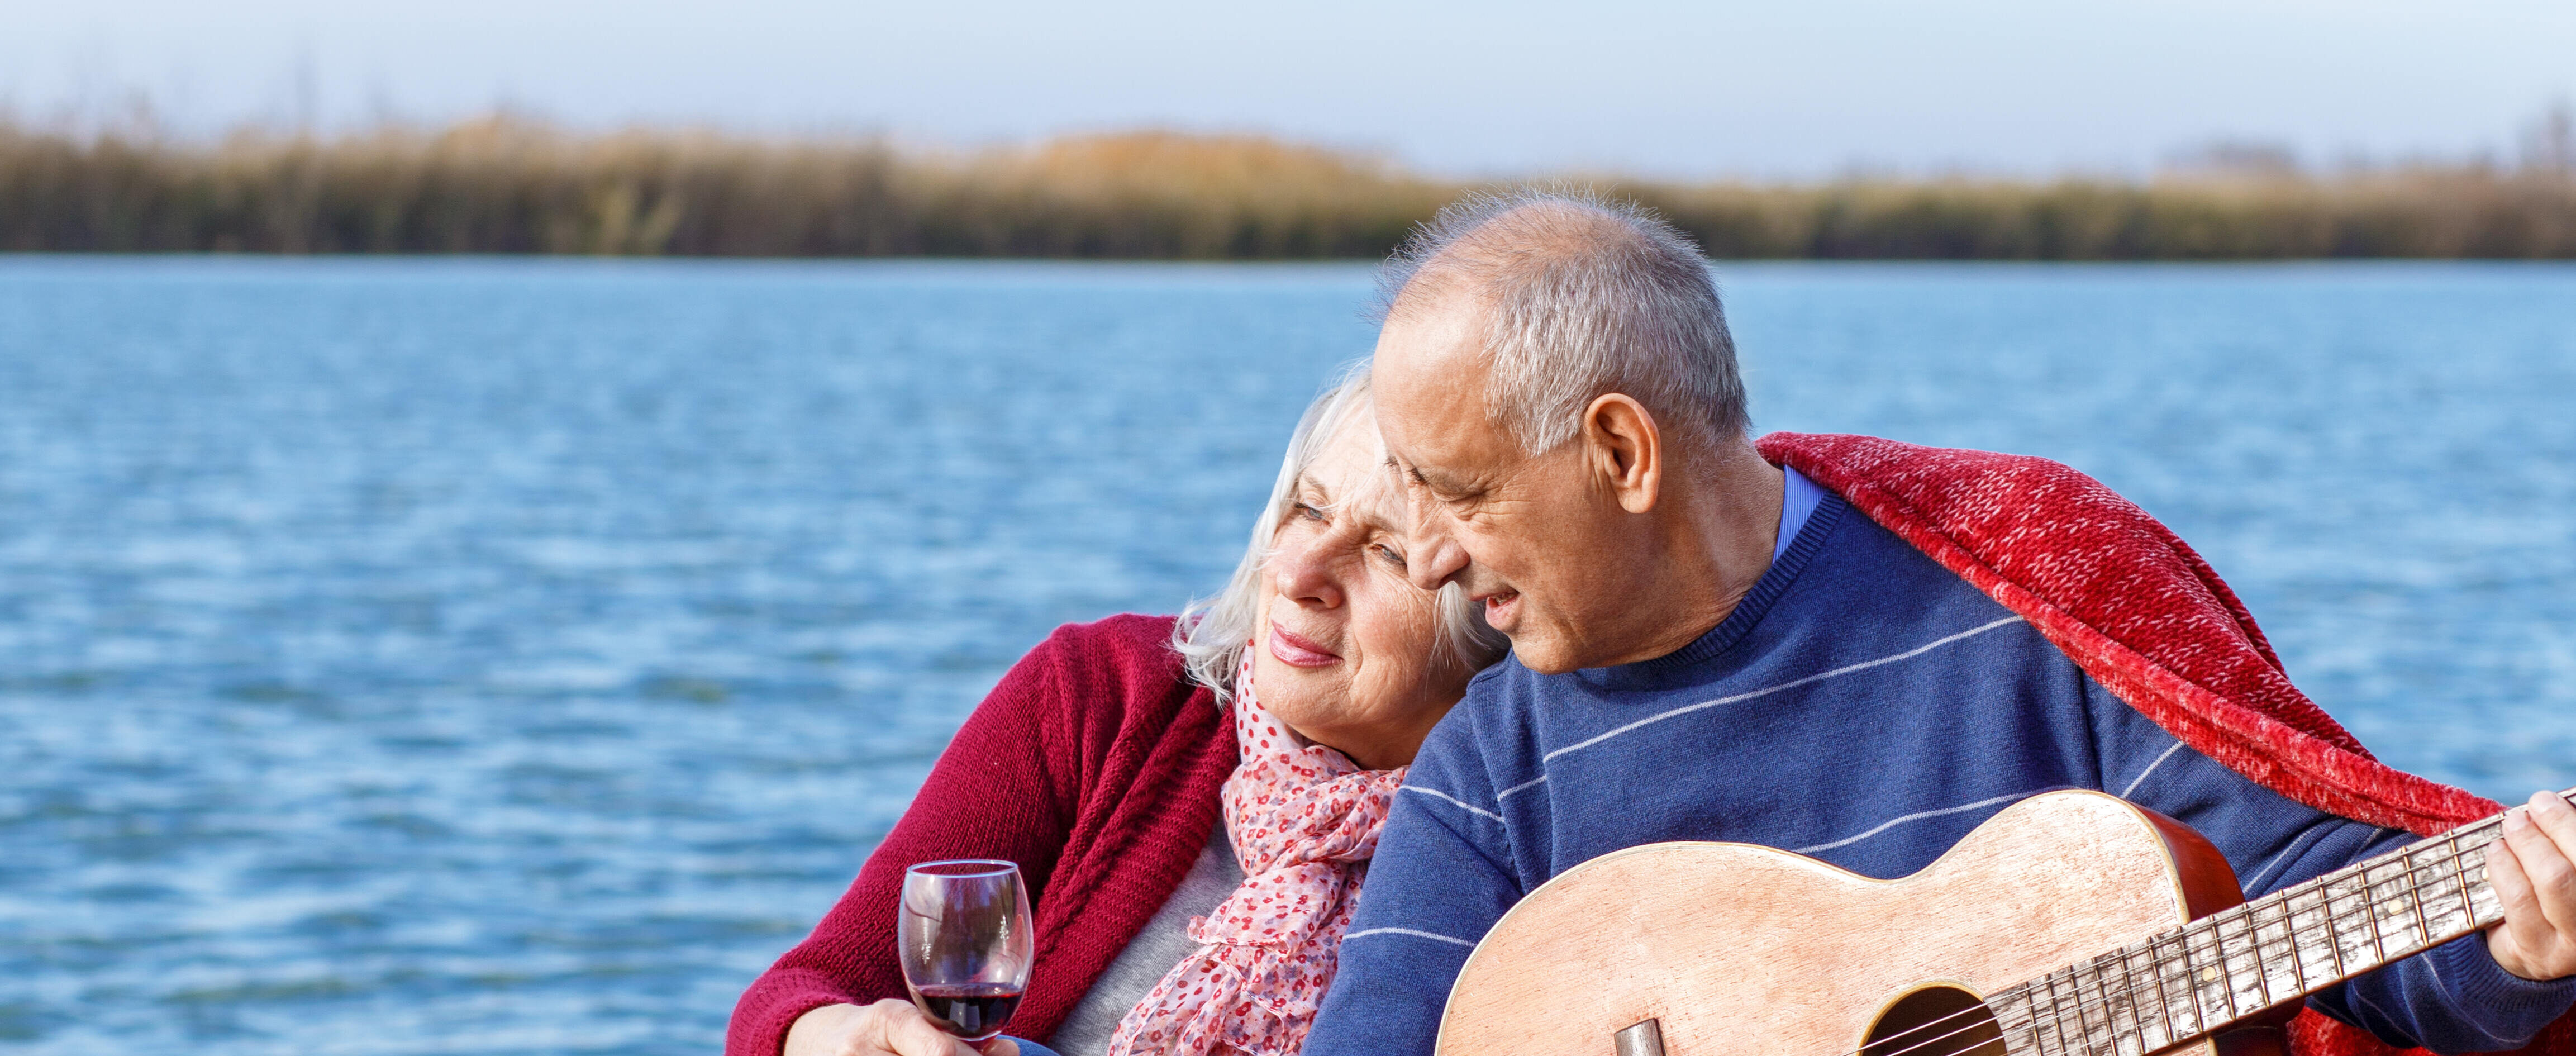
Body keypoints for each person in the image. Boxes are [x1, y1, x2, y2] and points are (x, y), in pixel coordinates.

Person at [1301, 189, 2576, 1056]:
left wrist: (2520, 948)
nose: (1425, 558)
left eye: (1459, 494)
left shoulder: (2017, 580)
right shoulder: (1494, 768)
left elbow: (2308, 907)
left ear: (1622, 453)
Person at [727, 368, 1507, 1056]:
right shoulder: (1106, 694)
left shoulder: (1524, 825)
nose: (1300, 572)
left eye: (1388, 553)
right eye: (1307, 510)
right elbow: (801, 994)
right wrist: (833, 1037)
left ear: (1494, 612)